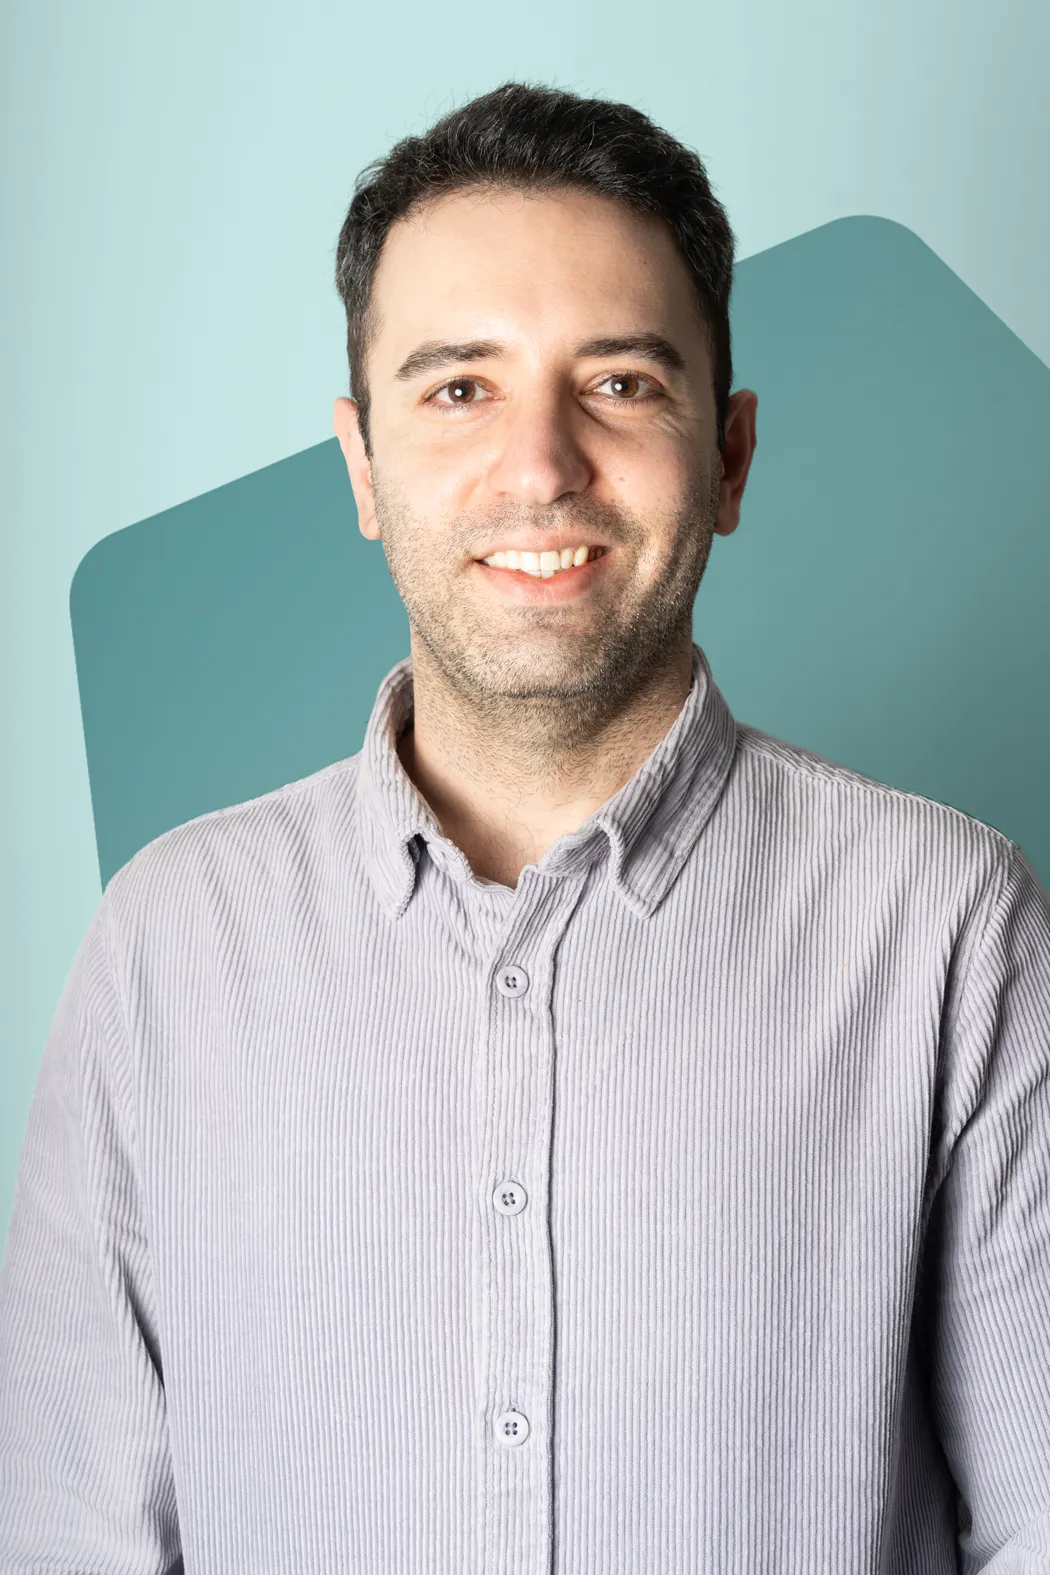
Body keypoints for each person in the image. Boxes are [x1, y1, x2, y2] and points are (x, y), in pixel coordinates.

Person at [1, 79, 1049, 1574]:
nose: (541, 464)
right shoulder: (166, 947)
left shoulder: (945, 920)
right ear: (362, 464)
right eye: (458, 388)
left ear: (731, 453)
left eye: (619, 382)